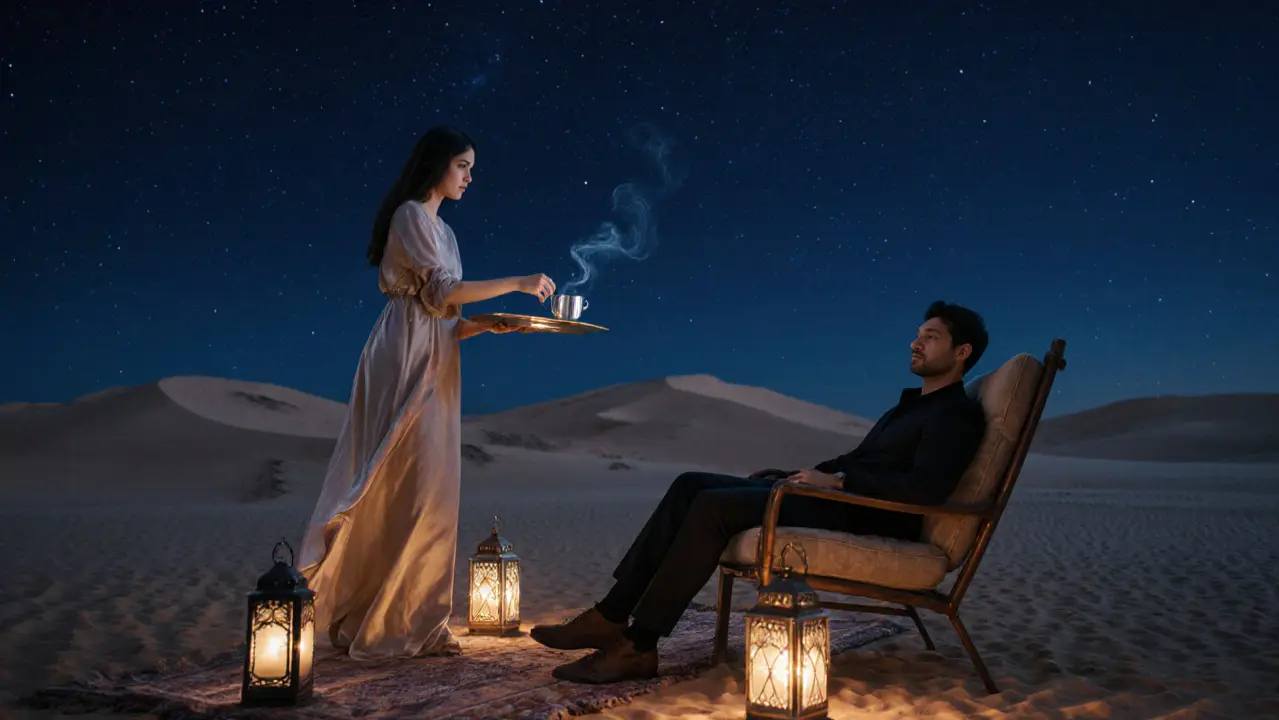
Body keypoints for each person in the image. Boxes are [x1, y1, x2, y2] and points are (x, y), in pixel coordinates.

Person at [530, 300, 992, 683]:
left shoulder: (954, 416)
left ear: (961, 352)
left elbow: (923, 489)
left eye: (930, 336)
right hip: (839, 497)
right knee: (690, 483)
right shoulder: (913, 407)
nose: (916, 342)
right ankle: (611, 615)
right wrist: (794, 474)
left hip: (868, 512)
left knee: (713, 508)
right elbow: (858, 459)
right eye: (918, 333)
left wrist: (838, 483)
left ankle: (639, 645)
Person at [297, 125, 556, 659]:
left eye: (471, 168)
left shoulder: (447, 234)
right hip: (405, 356)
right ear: (437, 164)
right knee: (402, 480)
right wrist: (519, 282)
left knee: (433, 484)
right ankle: (383, 615)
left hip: (438, 353)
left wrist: (486, 324)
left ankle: (416, 615)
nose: (469, 177)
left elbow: (447, 312)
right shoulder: (411, 215)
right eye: (463, 165)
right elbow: (441, 294)